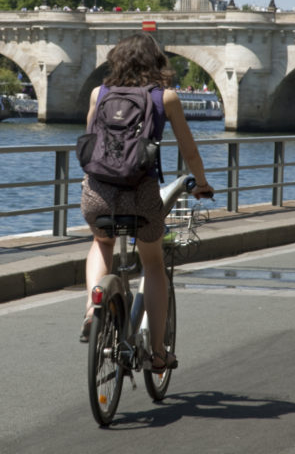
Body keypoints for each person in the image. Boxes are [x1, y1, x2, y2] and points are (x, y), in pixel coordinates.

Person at [79, 32, 214, 372]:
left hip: (97, 192)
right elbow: (189, 149)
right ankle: (157, 352)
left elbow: (91, 145)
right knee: (153, 264)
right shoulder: (164, 97)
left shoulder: (100, 93)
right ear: (157, 63)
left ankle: (93, 309)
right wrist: (201, 183)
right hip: (140, 195)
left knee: (101, 241)